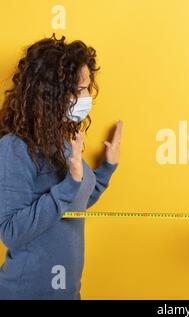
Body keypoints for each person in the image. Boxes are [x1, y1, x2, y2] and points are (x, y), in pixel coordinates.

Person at [0, 34, 123, 299]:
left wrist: (106, 169)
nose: (87, 96)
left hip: (67, 292)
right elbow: (10, 231)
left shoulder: (64, 142)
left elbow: (75, 202)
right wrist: (69, 183)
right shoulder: (15, 148)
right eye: (79, 90)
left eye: (88, 87)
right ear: (51, 94)